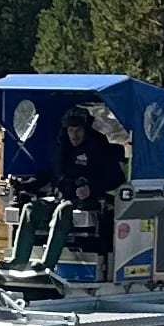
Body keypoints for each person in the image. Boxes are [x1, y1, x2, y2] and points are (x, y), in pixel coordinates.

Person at [55, 106, 127, 254]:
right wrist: (29, 182)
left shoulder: (99, 148)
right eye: (70, 130)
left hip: (94, 200)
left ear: (86, 130)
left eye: (78, 130)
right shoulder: (62, 147)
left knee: (63, 210)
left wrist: (91, 189)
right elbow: (52, 173)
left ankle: (47, 263)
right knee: (30, 208)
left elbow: (116, 179)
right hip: (63, 197)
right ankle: (20, 260)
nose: (74, 135)